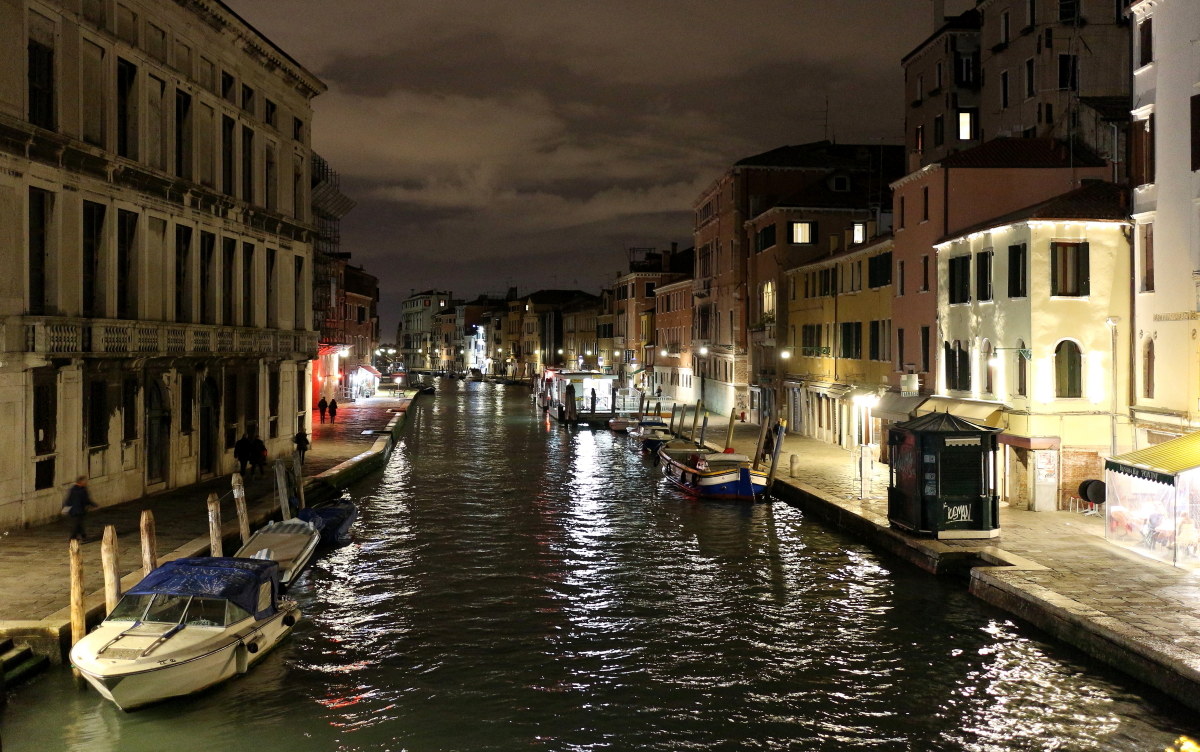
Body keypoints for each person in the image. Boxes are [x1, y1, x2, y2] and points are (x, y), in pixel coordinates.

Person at [62, 476, 97, 541]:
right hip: (77, 510)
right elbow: (86, 500)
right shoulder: (81, 490)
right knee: (77, 524)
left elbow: (69, 500)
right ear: (81, 482)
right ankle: (73, 538)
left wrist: (65, 509)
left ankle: (83, 535)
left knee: (79, 523)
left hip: (76, 510)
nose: (86, 483)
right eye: (85, 481)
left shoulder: (74, 489)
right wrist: (93, 504)